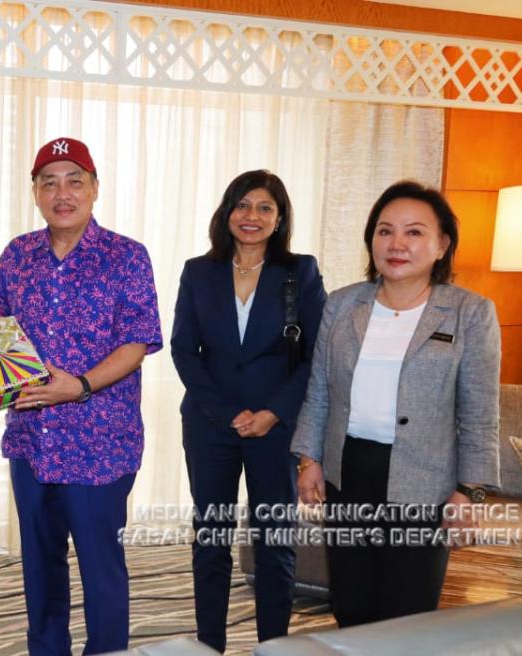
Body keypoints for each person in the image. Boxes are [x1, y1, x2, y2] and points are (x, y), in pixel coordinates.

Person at [291, 180, 501, 628]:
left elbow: (480, 415)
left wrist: (470, 493)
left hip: (424, 481)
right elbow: (320, 388)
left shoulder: (470, 313)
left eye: (414, 232)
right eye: (385, 231)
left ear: (442, 245)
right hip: (349, 472)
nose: (396, 244)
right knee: (351, 603)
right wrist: (309, 459)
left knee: (408, 612)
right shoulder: (343, 304)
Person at [0, 137, 163, 655]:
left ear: (94, 188)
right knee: (40, 569)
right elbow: (0, 335)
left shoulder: (127, 257)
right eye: (49, 183)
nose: (61, 193)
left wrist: (81, 385)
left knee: (100, 570)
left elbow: (138, 341)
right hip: (32, 441)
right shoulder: (18, 255)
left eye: (74, 181)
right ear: (35, 192)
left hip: (100, 444)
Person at [171, 170, 326, 652]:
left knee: (275, 540)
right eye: (242, 205)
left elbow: (317, 354)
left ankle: (273, 645)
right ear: (227, 213)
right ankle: (209, 645)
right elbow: (183, 349)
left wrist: (273, 412)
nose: (251, 216)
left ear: (279, 218)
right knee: (211, 537)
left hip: (276, 428)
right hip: (209, 424)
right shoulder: (199, 271)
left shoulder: (300, 272)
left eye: (264, 207)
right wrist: (226, 413)